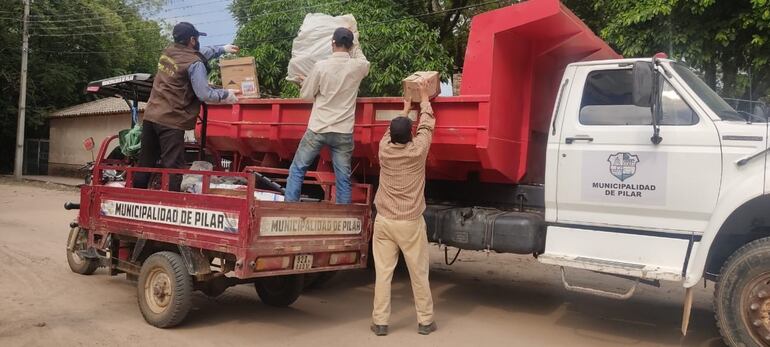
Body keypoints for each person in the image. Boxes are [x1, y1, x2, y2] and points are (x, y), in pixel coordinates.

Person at [134, 22, 239, 191]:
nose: (198, 42)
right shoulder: (195, 64)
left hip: (151, 116)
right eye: (197, 39)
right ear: (192, 40)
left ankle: (133, 199)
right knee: (173, 168)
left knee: (145, 163)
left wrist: (222, 49)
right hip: (171, 121)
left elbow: (198, 55)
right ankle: (170, 205)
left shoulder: (168, 52)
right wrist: (227, 95)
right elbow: (204, 94)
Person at [371, 79, 437, 336]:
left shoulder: (384, 150)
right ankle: (425, 321)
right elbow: (428, 126)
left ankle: (380, 322)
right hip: (410, 222)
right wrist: (424, 100)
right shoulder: (417, 151)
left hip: (384, 220)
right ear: (411, 134)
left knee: (383, 274)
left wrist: (406, 108)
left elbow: (391, 132)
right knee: (418, 272)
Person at [285, 27, 370, 203]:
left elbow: (306, 95)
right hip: (343, 131)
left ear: (332, 43)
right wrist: (355, 43)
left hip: (318, 128)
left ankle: (288, 210)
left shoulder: (320, 66)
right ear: (351, 45)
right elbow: (363, 60)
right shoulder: (358, 67)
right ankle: (343, 222)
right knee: (343, 179)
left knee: (297, 170)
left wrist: (304, 83)